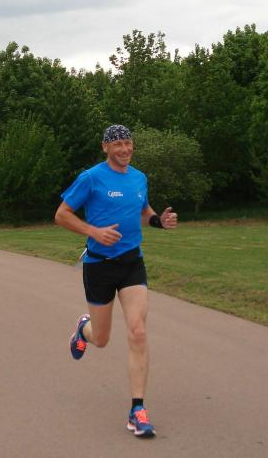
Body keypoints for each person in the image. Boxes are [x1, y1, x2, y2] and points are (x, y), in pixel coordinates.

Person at [54, 124, 177, 438]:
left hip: (132, 263)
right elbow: (62, 214)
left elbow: (143, 210)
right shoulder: (91, 178)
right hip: (99, 266)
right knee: (102, 338)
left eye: (128, 143)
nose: (124, 149)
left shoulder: (139, 178)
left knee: (138, 331)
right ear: (105, 147)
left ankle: (138, 410)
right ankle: (84, 329)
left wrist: (158, 221)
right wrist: (93, 232)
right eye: (118, 144)